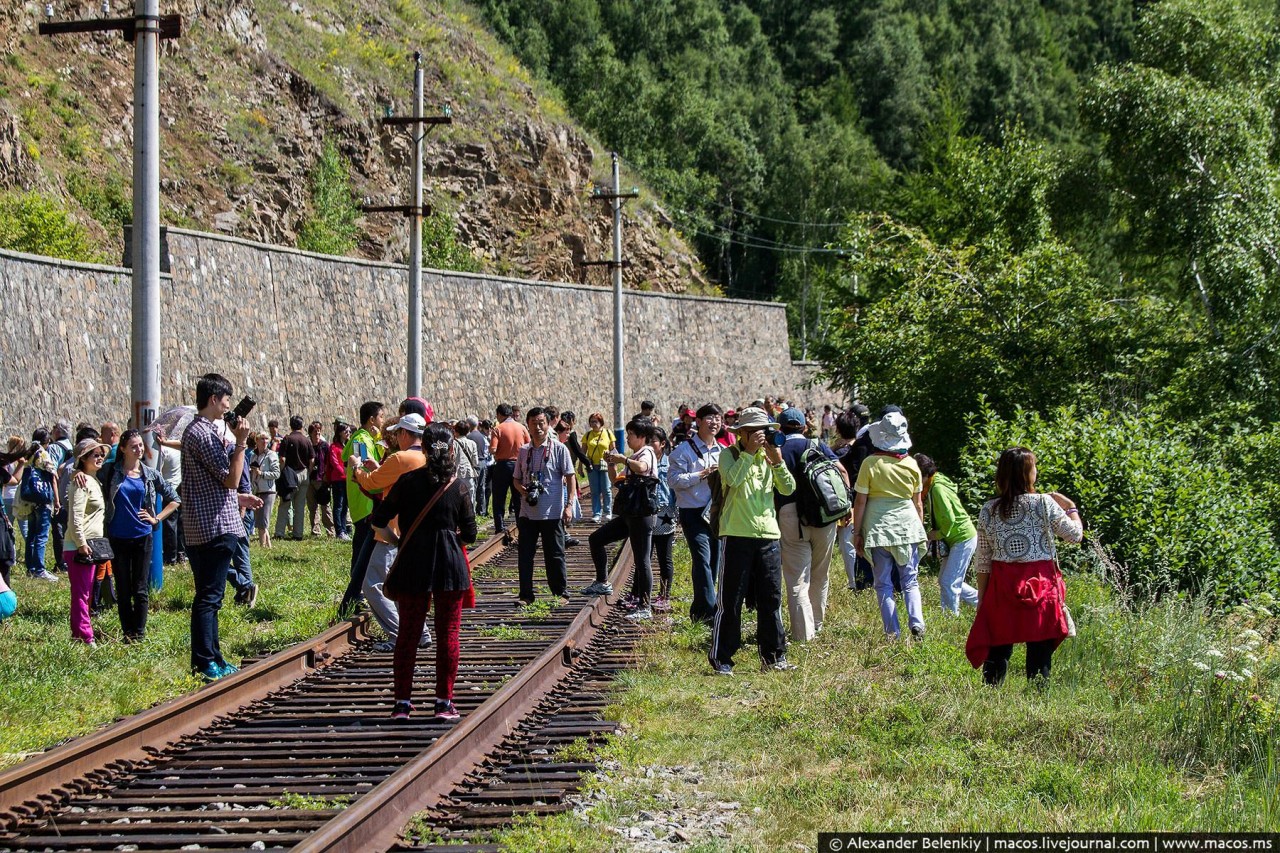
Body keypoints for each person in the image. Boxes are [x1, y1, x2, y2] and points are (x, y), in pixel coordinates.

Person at [371, 424, 477, 721]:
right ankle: (444, 703)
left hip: (413, 563)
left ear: (425, 450)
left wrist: (400, 541)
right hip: (450, 566)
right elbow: (470, 534)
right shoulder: (459, 486)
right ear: (452, 450)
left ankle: (402, 704)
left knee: (408, 635)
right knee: (448, 635)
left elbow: (379, 519)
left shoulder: (407, 481)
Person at [966, 447, 1083, 686]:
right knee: (1040, 645)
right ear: (1027, 473)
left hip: (1002, 583)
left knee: (999, 643)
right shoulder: (1044, 503)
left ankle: (990, 694)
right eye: (1034, 468)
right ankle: (1038, 697)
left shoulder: (989, 509)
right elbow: (1075, 535)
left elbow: (984, 559)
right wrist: (1071, 508)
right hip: (1040, 583)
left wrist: (982, 598)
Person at [708, 407, 797, 675]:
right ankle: (722, 657)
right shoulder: (730, 454)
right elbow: (732, 480)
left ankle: (774, 657)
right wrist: (748, 453)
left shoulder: (770, 457)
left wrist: (778, 462)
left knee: (771, 599)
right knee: (731, 600)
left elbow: (789, 489)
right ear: (743, 434)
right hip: (736, 534)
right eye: (757, 432)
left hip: (768, 535)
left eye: (765, 431)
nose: (762, 437)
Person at [181, 373, 253, 680]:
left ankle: (213, 657)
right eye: (226, 400)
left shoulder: (197, 432)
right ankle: (205, 661)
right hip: (214, 526)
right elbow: (229, 478)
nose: (228, 406)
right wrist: (241, 444)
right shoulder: (203, 434)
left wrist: (239, 496)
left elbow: (220, 484)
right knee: (210, 598)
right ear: (213, 399)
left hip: (202, 524)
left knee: (209, 596)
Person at [352, 413, 431, 652]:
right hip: (418, 531)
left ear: (405, 434)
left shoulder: (400, 457)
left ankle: (399, 634)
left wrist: (357, 469)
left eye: (397, 433)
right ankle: (421, 632)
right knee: (407, 585)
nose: (395, 437)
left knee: (374, 585)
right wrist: (380, 468)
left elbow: (370, 483)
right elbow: (393, 480)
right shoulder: (427, 457)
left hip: (392, 530)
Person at [774, 407, 848, 643]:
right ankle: (817, 624)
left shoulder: (777, 450)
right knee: (820, 573)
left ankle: (804, 635)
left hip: (789, 514)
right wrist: (845, 507)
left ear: (780, 428)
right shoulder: (816, 446)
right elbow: (841, 470)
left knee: (797, 578)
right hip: (823, 515)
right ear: (805, 427)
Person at [852, 411, 927, 641]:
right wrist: (919, 529)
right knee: (910, 579)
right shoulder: (913, 464)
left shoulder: (870, 464)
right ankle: (917, 623)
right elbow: (918, 503)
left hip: (878, 528)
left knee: (883, 583)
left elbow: (861, 501)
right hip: (907, 526)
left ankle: (892, 632)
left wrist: (857, 532)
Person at [104, 429, 180, 641]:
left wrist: (156, 518)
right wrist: (78, 473)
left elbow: (174, 499)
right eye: (134, 446)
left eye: (140, 445)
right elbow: (87, 469)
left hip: (142, 536)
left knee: (140, 587)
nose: (139, 449)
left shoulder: (149, 474)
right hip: (118, 536)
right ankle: (126, 631)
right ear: (123, 449)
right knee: (123, 586)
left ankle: (138, 632)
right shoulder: (111, 471)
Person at [585, 418, 658, 619]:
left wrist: (622, 460)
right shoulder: (635, 455)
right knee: (596, 539)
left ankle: (645, 606)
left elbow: (642, 468)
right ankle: (602, 582)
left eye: (631, 435)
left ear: (642, 437)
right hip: (629, 514)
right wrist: (611, 465)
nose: (627, 438)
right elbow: (616, 480)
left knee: (642, 560)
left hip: (642, 515)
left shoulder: (647, 452)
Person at [512, 407, 575, 606]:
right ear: (527, 425)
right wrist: (524, 492)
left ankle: (560, 593)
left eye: (541, 423)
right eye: (534, 423)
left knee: (555, 555)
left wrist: (569, 505)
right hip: (527, 513)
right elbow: (515, 479)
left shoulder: (559, 449)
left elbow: (570, 477)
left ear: (548, 425)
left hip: (552, 512)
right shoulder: (524, 451)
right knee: (525, 556)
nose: (538, 427)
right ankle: (525, 596)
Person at [668, 403, 722, 624]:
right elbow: (673, 481)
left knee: (715, 560)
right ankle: (711, 612)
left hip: (716, 512)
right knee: (702, 559)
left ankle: (699, 611)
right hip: (693, 512)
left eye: (718, 419)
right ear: (698, 422)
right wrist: (701, 474)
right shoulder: (683, 450)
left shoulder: (724, 451)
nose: (714, 422)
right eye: (709, 418)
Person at [915, 453, 979, 615]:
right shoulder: (935, 482)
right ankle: (984, 603)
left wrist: (936, 534)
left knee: (950, 582)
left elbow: (949, 519)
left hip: (962, 537)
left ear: (924, 475)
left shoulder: (937, 488)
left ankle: (950, 618)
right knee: (946, 580)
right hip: (956, 538)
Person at [339, 401, 386, 616]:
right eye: (381, 417)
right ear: (371, 419)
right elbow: (364, 465)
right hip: (364, 502)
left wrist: (377, 439)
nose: (383, 421)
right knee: (361, 549)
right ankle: (356, 594)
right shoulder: (360, 439)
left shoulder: (365, 438)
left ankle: (358, 591)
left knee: (363, 548)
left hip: (366, 500)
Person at [66, 437, 110, 645]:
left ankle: (80, 634)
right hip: (79, 547)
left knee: (86, 593)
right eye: (95, 454)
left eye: (102, 454)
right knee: (82, 594)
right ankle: (85, 636)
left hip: (90, 545)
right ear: (83, 459)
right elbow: (75, 516)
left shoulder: (93, 480)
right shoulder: (81, 481)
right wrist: (81, 543)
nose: (100, 457)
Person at [20, 428, 59, 582]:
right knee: (42, 535)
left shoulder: (29, 454)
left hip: (30, 499)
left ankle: (30, 567)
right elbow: (53, 477)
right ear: (46, 441)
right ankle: (40, 569)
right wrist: (56, 500)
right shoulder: (43, 454)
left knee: (31, 534)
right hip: (43, 499)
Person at [489, 403, 530, 533]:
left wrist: (497, 451)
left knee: (499, 498)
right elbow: (529, 445)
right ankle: (521, 525)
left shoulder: (498, 429)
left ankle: (499, 527)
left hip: (502, 465)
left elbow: (493, 449)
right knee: (518, 497)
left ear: (500, 414)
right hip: (518, 465)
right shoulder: (521, 427)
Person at [650, 426, 677, 613]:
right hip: (647, 512)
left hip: (665, 512)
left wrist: (678, 512)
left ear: (663, 444)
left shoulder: (670, 464)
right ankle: (639, 593)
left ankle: (664, 595)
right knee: (643, 556)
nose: (650, 445)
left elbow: (675, 490)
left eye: (653, 441)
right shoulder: (643, 460)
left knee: (664, 557)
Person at [275, 415, 313, 541]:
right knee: (300, 506)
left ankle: (280, 532)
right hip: (304, 473)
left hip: (290, 474)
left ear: (291, 425)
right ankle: (298, 534)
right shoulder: (306, 440)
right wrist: (308, 471)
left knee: (285, 504)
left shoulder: (287, 439)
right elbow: (312, 459)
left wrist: (282, 471)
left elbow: (282, 458)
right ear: (302, 426)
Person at [154, 430, 186, 565]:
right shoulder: (178, 449)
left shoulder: (163, 450)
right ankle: (181, 553)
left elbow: (158, 472)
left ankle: (170, 557)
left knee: (169, 525)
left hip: (168, 490)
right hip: (179, 488)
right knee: (180, 523)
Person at [582, 413, 615, 523]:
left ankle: (607, 512)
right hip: (592, 465)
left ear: (601, 422)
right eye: (591, 421)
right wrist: (580, 466)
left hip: (605, 465)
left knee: (606, 489)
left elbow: (613, 450)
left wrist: (613, 463)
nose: (593, 424)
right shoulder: (587, 435)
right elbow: (583, 452)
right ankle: (596, 513)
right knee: (595, 491)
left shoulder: (608, 433)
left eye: (595, 421)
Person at [250, 432, 280, 548]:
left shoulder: (272, 455)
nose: (264, 441)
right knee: (260, 520)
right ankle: (268, 545)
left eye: (266, 439)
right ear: (257, 441)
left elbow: (276, 473)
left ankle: (262, 546)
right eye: (262, 439)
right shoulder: (253, 456)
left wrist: (261, 474)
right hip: (257, 490)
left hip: (268, 490)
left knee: (263, 521)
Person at [306, 420, 335, 537]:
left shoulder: (324, 446)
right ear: (310, 433)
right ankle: (315, 530)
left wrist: (326, 476)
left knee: (325, 506)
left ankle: (330, 531)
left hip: (321, 478)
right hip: (310, 478)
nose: (317, 434)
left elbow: (328, 462)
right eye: (315, 432)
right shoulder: (308, 446)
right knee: (312, 506)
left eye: (319, 432)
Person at [325, 421, 352, 539]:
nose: (348, 433)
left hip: (347, 479)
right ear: (340, 432)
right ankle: (339, 530)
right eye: (345, 431)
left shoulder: (348, 445)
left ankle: (344, 528)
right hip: (338, 479)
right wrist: (343, 472)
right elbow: (334, 462)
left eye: (349, 431)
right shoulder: (334, 446)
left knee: (345, 505)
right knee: (339, 504)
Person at [467, 417, 492, 516]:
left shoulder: (469, 437)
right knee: (482, 487)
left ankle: (473, 511)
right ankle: (482, 510)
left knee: (474, 487)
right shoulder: (481, 436)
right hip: (483, 462)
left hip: (475, 463)